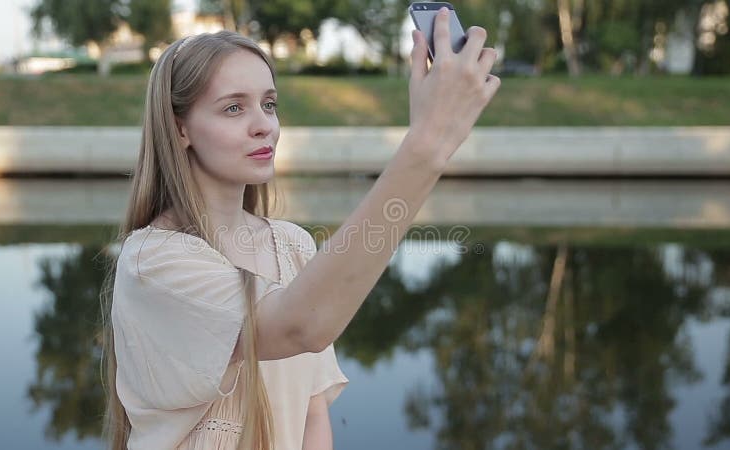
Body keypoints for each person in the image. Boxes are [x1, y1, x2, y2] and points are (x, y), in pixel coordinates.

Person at [100, 6, 500, 450]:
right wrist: (427, 144)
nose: (264, 125)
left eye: (269, 104)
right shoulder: (152, 260)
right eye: (234, 108)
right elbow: (298, 327)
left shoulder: (292, 244)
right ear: (180, 130)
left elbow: (313, 418)